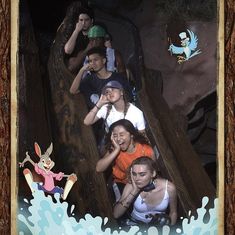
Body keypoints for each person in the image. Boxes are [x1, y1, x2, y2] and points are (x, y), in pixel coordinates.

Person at [96, 119, 154, 197]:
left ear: (131, 135)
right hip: (121, 183)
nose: (118, 139)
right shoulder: (114, 149)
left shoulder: (146, 150)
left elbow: (153, 172)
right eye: (115, 136)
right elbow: (99, 168)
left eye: (121, 134)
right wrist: (116, 150)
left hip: (142, 184)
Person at [113, 157, 177, 226]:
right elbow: (116, 214)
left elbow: (173, 212)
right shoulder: (131, 186)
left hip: (159, 227)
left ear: (153, 174)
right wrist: (134, 191)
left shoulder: (169, 188)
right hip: (136, 225)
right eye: (134, 174)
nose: (137, 179)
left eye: (142, 174)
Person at [64, 7, 94, 72]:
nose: (83, 23)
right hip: (74, 65)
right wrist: (76, 31)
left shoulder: (94, 34)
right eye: (81, 20)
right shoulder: (75, 32)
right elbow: (68, 51)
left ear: (91, 21)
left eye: (86, 20)